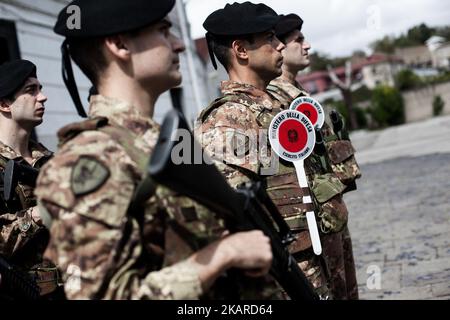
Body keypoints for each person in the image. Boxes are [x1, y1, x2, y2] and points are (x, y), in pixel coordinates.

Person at [35, 0, 282, 300]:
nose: (178, 45)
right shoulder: (90, 159)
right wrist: (222, 255)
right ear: (119, 45)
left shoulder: (155, 140)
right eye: (164, 32)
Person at [195, 2, 330, 298]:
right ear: (241, 50)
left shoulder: (274, 108)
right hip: (280, 278)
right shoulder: (227, 121)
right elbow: (234, 215)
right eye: (269, 38)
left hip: (311, 263)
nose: (280, 45)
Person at [266, 13, 361, 299]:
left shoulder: (297, 93)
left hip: (329, 213)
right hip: (312, 222)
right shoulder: (279, 99)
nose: (307, 46)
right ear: (279, 47)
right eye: (298, 40)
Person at [0, 59, 63, 299]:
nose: (43, 97)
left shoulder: (51, 161)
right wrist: (42, 211)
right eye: (31, 90)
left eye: (40, 88)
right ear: (5, 103)